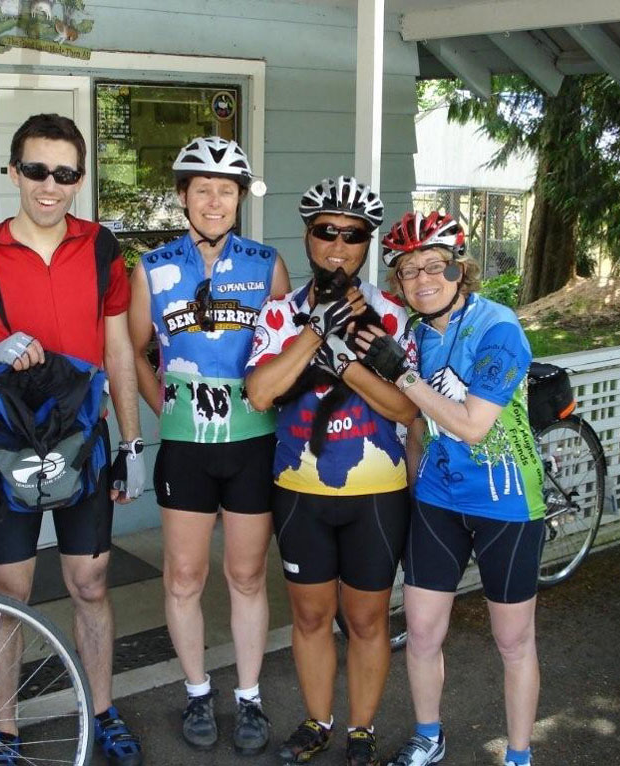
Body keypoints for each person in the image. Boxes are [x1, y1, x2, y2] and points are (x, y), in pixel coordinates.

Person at [0, 113, 146, 766]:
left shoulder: (102, 248)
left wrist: (133, 444)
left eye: (64, 173)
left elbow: (118, 349)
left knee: (92, 582)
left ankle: (101, 712)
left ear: (79, 179)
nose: (49, 186)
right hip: (10, 446)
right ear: (13, 172)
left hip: (84, 440)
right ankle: (4, 731)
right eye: (36, 170)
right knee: (9, 593)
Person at [244, 176, 417, 766]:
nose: (338, 246)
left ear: (367, 244)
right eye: (327, 231)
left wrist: (347, 365)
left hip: (376, 493)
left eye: (353, 235)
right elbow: (261, 393)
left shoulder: (391, 313)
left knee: (367, 620)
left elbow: (406, 409)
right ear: (308, 236)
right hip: (300, 492)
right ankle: (317, 721)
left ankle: (361, 730)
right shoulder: (279, 314)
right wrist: (317, 329)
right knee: (311, 616)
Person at [128, 136, 290, 756]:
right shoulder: (152, 267)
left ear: (240, 198)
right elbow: (133, 350)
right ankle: (197, 691)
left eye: (226, 190)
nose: (215, 201)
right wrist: (164, 410)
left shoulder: (267, 264)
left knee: (246, 575)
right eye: (203, 190)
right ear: (182, 196)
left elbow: (283, 353)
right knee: (184, 576)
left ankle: (249, 696)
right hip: (186, 449)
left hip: (252, 443)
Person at [366, 211, 546, 766]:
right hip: (438, 500)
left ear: (458, 270)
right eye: (408, 270)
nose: (422, 279)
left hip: (505, 502)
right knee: (421, 632)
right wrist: (411, 486)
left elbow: (472, 425)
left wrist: (403, 377)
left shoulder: (498, 327)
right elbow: (419, 425)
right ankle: (428, 735)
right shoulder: (417, 335)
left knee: (512, 640)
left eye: (434, 266)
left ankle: (518, 754)